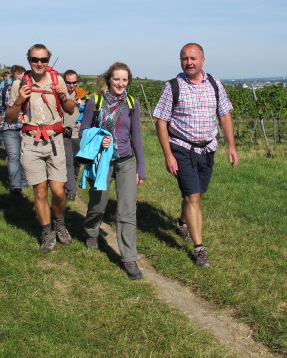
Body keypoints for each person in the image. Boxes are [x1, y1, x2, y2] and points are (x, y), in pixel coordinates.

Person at [153, 43, 239, 268]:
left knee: (196, 195)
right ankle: (199, 249)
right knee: (193, 198)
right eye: (184, 58)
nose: (188, 62)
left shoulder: (215, 84)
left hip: (208, 149)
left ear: (202, 60)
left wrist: (231, 146)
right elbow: (161, 122)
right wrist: (168, 155)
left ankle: (182, 223)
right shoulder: (172, 86)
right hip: (182, 148)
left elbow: (225, 115)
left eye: (193, 58)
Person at [79, 62, 146, 280]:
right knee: (99, 202)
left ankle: (129, 257)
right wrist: (100, 140)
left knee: (127, 209)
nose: (120, 83)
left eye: (124, 80)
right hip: (102, 161)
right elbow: (83, 131)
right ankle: (91, 230)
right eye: (117, 79)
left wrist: (141, 168)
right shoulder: (94, 102)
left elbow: (136, 137)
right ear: (109, 79)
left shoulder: (132, 104)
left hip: (126, 161)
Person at [6, 44, 76, 253]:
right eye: (35, 60)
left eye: (43, 60)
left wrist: (63, 96)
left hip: (55, 141)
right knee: (39, 190)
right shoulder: (19, 83)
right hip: (31, 140)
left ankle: (60, 222)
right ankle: (47, 232)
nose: (39, 63)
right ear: (28, 60)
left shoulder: (57, 80)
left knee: (58, 190)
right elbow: (10, 117)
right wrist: (20, 99)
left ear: (48, 61)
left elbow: (71, 110)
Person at [0, 64, 28, 193]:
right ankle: (16, 185)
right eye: (18, 74)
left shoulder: (29, 91)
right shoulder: (5, 90)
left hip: (25, 127)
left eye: (23, 74)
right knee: (13, 156)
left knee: (24, 156)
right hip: (9, 127)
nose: (21, 77)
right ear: (12, 75)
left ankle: (24, 180)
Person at [62, 69, 87, 201]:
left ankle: (71, 181)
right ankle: (71, 191)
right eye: (69, 82)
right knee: (68, 162)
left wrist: (84, 104)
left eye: (74, 82)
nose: (71, 85)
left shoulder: (81, 94)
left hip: (78, 133)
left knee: (77, 162)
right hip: (65, 133)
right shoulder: (61, 95)